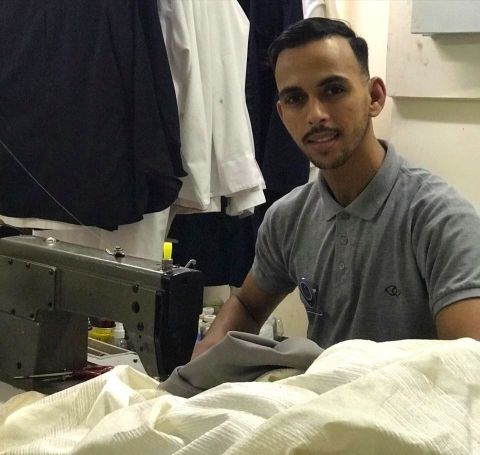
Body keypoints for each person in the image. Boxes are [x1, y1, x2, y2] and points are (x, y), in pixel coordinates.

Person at [192, 17, 480, 359]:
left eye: (333, 90)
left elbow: (465, 369)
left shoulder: (441, 220)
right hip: (321, 392)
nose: (315, 114)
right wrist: (199, 370)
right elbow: (247, 305)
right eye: (296, 99)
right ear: (282, 115)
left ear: (374, 97)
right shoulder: (288, 218)